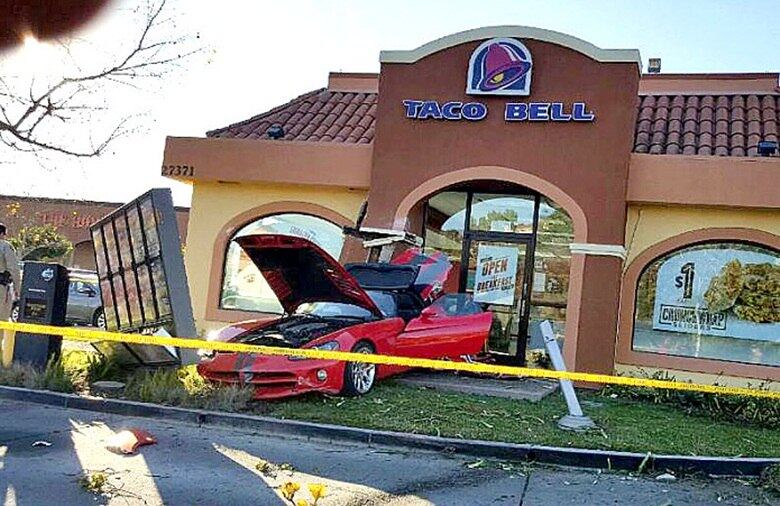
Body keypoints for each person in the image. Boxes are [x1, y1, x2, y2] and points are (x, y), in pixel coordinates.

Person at [0, 223, 21, 365]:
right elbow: (13, 268)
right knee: (1, 320)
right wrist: (19, 288)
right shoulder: (4, 246)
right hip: (1, 289)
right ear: (2, 234)